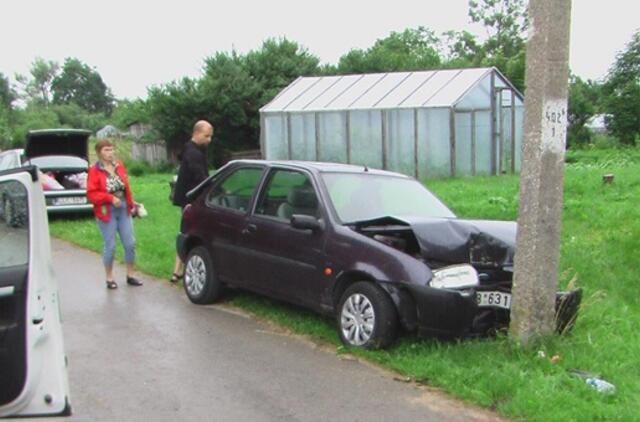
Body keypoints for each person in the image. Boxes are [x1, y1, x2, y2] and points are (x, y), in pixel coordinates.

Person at [87, 139, 143, 289]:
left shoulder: (119, 166)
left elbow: (126, 187)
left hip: (123, 208)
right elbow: (92, 194)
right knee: (110, 245)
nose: (109, 153)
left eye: (111, 149)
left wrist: (132, 203)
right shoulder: (94, 170)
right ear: (99, 153)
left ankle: (130, 274)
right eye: (106, 150)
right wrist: (109, 198)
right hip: (107, 210)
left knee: (130, 243)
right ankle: (109, 277)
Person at [170, 120, 213, 282]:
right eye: (206, 136)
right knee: (188, 232)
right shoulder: (193, 153)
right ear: (197, 133)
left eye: (210, 136)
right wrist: (215, 189)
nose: (209, 140)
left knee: (186, 231)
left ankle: (177, 271)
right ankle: (179, 270)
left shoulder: (191, 149)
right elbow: (200, 177)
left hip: (189, 198)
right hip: (191, 200)